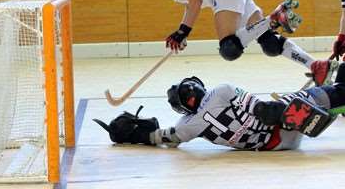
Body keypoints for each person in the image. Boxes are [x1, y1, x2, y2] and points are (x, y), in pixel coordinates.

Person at [128, 0, 334, 86]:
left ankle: (273, 18)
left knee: (229, 48)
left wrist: (182, 32)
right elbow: (190, 6)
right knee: (270, 43)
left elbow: (196, 1)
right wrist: (182, 33)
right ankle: (316, 65)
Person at [94, 62, 345, 150]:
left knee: (338, 78)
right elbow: (263, 112)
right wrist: (283, 109)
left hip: (274, 146)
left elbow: (161, 137)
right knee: (323, 93)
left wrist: (136, 135)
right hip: (281, 126)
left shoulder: (186, 127)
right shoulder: (220, 91)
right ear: (196, 86)